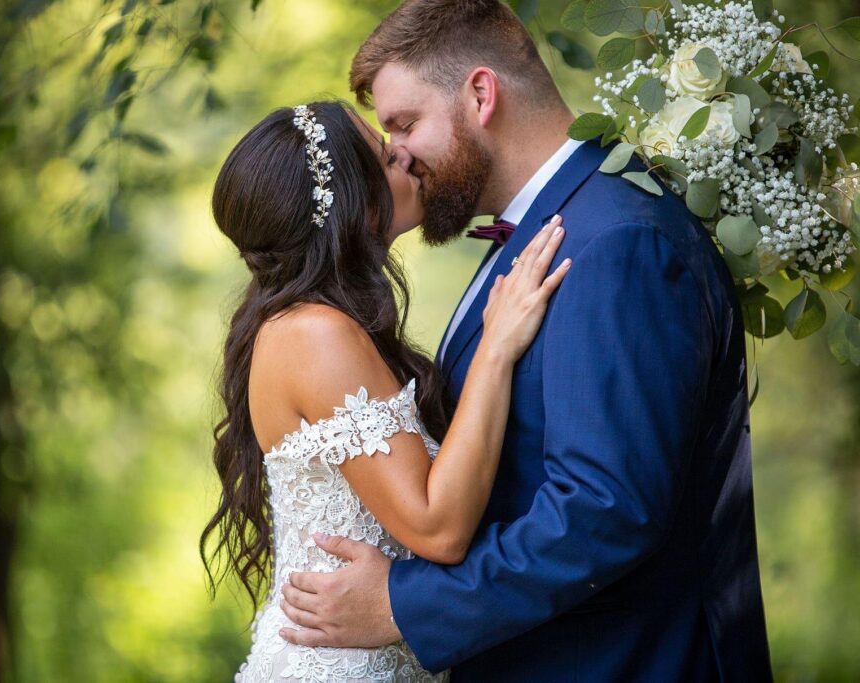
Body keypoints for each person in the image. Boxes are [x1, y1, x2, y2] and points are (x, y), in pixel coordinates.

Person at [277, 1, 773, 681]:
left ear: (480, 94)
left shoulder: (616, 240)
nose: (395, 154)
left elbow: (605, 508)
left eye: (404, 123)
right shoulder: (552, 227)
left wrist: (406, 605)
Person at [201, 99, 571, 681]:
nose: (402, 152)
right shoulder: (316, 334)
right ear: (353, 206)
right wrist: (496, 350)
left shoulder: (303, 323)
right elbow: (438, 528)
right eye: (381, 152)